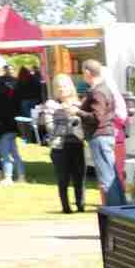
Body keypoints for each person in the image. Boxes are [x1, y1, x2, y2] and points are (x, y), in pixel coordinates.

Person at [79, 59, 126, 206]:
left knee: (106, 177)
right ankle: (121, 208)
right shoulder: (104, 88)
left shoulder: (98, 91)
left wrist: (77, 112)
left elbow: (97, 117)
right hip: (106, 135)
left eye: (83, 72)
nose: (82, 75)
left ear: (88, 72)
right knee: (112, 175)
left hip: (99, 136)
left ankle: (114, 210)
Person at [44, 73, 86, 213]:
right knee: (63, 178)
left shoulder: (79, 104)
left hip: (77, 144)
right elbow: (50, 128)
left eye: (65, 86)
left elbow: (84, 125)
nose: (62, 89)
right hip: (59, 147)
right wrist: (69, 121)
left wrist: (77, 118)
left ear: (71, 87)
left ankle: (81, 205)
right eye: (59, 87)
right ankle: (66, 207)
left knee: (79, 177)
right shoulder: (51, 105)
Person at [0, 75, 27, 184]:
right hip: (13, 129)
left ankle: (8, 178)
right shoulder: (12, 99)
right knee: (15, 154)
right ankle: (21, 176)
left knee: (5, 155)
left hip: (2, 130)